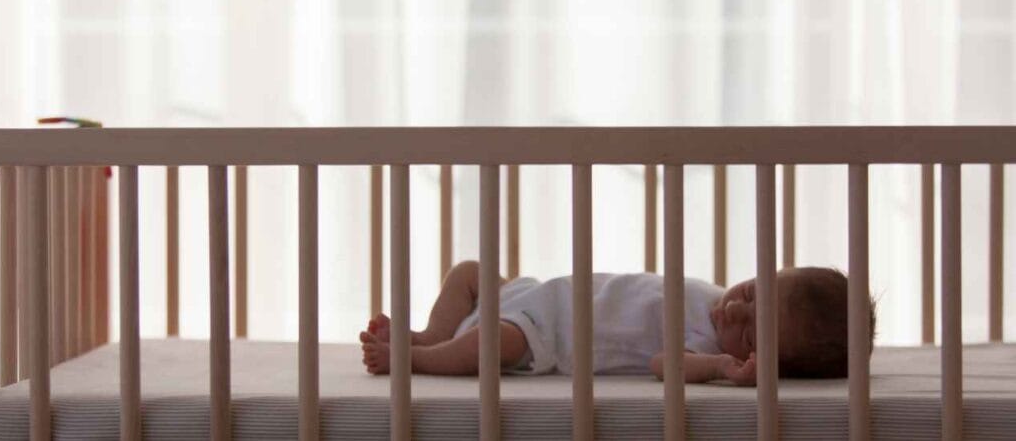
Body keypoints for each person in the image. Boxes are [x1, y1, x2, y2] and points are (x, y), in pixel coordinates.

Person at [359, 261, 875, 385]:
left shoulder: (703, 345)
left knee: (494, 342)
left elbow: (661, 363)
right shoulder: (715, 302)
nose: (734, 310)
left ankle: (417, 357)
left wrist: (719, 366)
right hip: (535, 295)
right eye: (751, 293)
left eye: (747, 331)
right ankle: (432, 333)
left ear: (752, 358)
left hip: (545, 334)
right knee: (469, 272)